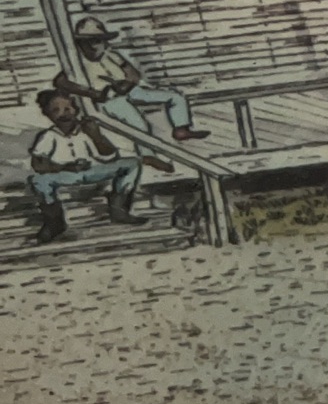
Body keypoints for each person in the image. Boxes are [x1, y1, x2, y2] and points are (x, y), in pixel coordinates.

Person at [56, 15, 208, 145]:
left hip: (129, 90)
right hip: (109, 98)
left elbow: (133, 73)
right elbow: (60, 82)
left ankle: (181, 129)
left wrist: (128, 83)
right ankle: (147, 154)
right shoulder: (78, 63)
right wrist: (94, 93)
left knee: (175, 97)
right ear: (80, 44)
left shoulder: (111, 55)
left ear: (104, 41)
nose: (93, 46)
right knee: (137, 123)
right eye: (87, 42)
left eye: (97, 41)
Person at [28, 87, 144, 246]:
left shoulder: (86, 129)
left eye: (68, 108)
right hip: (66, 174)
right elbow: (37, 164)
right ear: (47, 114)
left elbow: (110, 156)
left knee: (131, 164)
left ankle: (119, 209)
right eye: (56, 110)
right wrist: (65, 167)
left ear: (76, 109)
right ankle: (55, 223)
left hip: (92, 171)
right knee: (38, 180)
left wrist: (96, 136)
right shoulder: (49, 136)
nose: (64, 114)